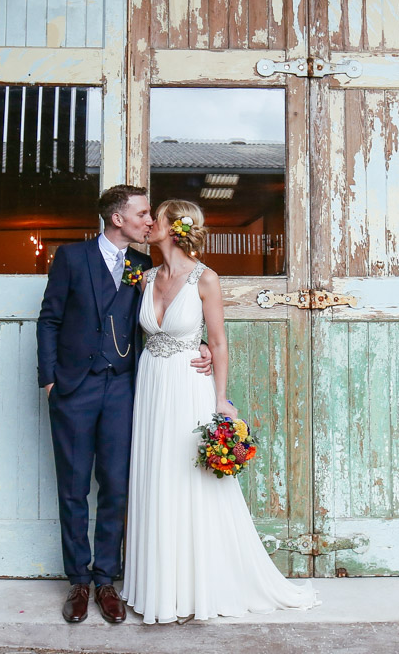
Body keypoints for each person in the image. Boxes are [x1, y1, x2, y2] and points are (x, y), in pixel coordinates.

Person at [123, 199, 318, 623]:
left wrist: (220, 399)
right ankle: (160, 585)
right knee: (156, 476)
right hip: (151, 386)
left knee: (189, 478)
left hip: (188, 386)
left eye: (154, 218)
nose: (148, 223)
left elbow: (219, 341)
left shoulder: (205, 279)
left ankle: (199, 585)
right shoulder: (145, 277)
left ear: (174, 228)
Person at [37, 185, 212, 625]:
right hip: (75, 390)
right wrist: (50, 380)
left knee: (116, 487)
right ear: (118, 218)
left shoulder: (142, 267)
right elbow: (50, 319)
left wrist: (203, 345)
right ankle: (78, 581)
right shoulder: (72, 258)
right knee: (74, 488)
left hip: (124, 392)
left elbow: (168, 318)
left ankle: (105, 580)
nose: (149, 221)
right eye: (142, 214)